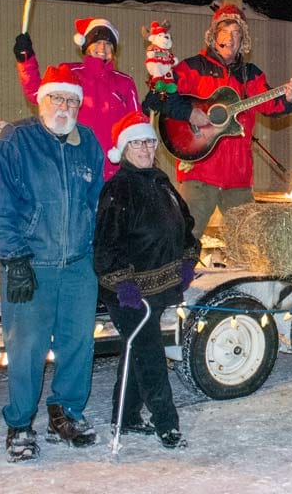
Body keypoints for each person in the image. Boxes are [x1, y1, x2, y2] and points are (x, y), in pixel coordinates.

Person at [0, 65, 104, 462]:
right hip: (31, 265)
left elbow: (94, 202)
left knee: (77, 345)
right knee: (27, 348)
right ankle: (19, 424)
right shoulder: (16, 141)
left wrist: (97, 251)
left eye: (72, 100)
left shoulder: (87, 142)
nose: (65, 106)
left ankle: (65, 413)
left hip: (78, 265)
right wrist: (14, 258)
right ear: (42, 99)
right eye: (58, 98)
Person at [142, 3, 292, 239]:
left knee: (249, 243)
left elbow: (270, 105)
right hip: (199, 172)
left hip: (238, 176)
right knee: (186, 240)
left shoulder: (251, 74)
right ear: (213, 36)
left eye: (236, 34)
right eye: (224, 32)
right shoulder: (192, 67)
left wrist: (289, 99)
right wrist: (188, 112)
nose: (230, 38)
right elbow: (160, 95)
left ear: (242, 40)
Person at [93, 111, 200, 450]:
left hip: (160, 284)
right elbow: (106, 244)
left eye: (149, 142)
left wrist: (187, 259)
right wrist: (122, 282)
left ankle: (124, 416)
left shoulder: (161, 181)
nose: (145, 148)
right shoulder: (118, 189)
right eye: (137, 142)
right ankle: (167, 423)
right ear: (125, 148)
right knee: (150, 353)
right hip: (129, 291)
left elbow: (186, 222)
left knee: (137, 350)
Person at [14, 17, 141, 181]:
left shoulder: (125, 82)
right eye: (96, 42)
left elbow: (136, 125)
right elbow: (37, 94)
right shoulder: (70, 72)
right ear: (86, 46)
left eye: (108, 43)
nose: (102, 47)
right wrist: (26, 60)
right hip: (75, 165)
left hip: (113, 170)